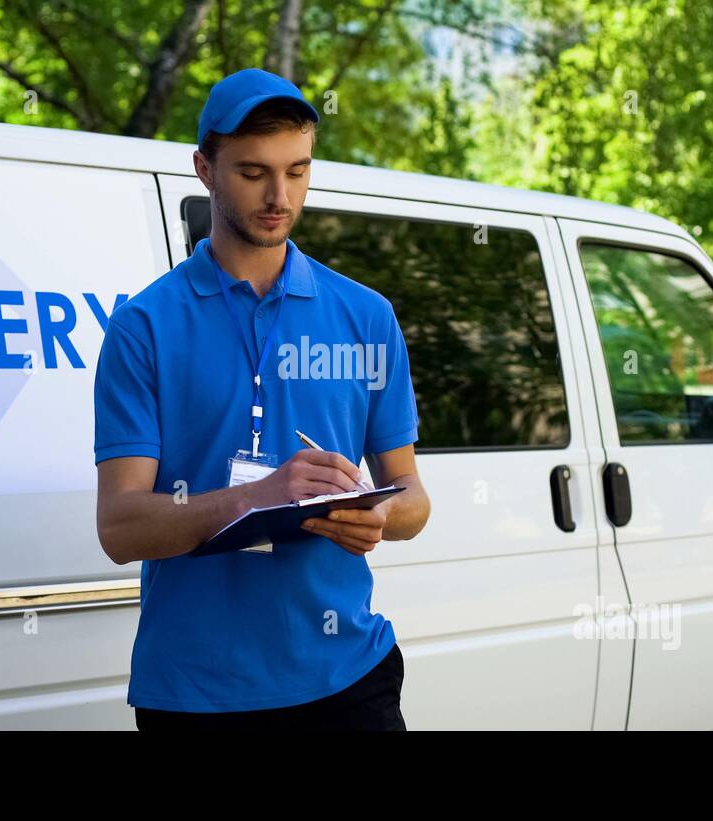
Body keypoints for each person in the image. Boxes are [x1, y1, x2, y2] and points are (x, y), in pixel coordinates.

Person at [93, 68, 431, 731]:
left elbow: (412, 495)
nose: (280, 195)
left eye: (297, 171)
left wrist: (378, 518)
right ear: (205, 168)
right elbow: (119, 526)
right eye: (253, 173)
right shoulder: (144, 327)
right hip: (196, 695)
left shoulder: (366, 316)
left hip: (348, 679)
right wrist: (257, 496)